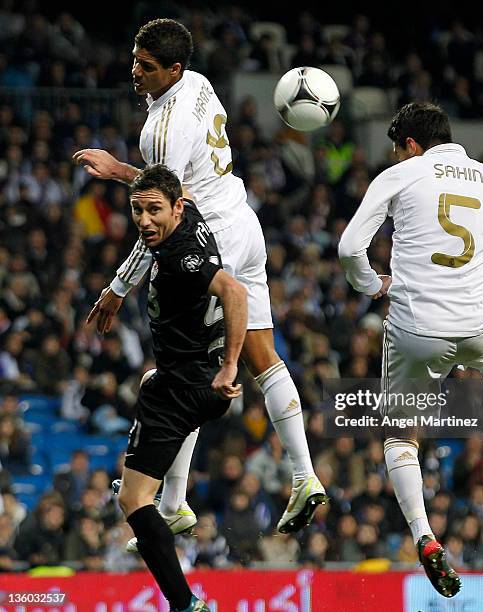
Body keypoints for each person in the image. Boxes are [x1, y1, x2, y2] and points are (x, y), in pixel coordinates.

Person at [73, 18, 325, 541]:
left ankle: (173, 500)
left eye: (146, 66)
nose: (135, 71)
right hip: (243, 221)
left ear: (173, 68)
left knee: (179, 372)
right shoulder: (199, 84)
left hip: (209, 236)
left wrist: (118, 287)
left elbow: (162, 214)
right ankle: (303, 476)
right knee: (264, 357)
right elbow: (171, 178)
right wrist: (122, 169)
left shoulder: (165, 128)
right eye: (135, 59)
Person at [338, 101, 483, 598]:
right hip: (476, 319)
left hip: (415, 326)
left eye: (395, 149)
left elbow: (348, 249)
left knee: (399, 437)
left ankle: (425, 538)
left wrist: (372, 285)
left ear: (409, 145)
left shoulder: (402, 175)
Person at [108, 164, 247, 612]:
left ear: (176, 209)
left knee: (132, 500)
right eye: (137, 210)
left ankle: (185, 603)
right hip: (193, 380)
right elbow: (163, 189)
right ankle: (172, 502)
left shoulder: (177, 260)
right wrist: (118, 170)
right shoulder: (189, 213)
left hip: (183, 390)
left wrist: (230, 366)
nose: (145, 221)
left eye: (153, 211)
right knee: (148, 380)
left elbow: (236, 293)